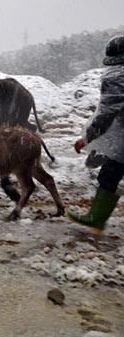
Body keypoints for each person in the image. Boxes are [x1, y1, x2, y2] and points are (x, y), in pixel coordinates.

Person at [68, 35, 124, 233]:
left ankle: (96, 219)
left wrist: (87, 138)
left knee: (109, 174)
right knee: (110, 173)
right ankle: (96, 218)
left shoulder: (117, 77)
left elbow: (107, 113)